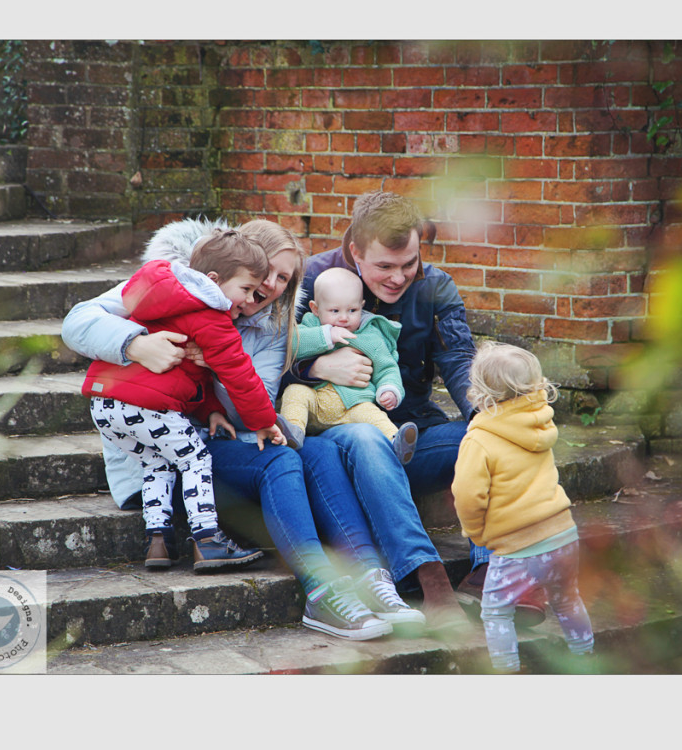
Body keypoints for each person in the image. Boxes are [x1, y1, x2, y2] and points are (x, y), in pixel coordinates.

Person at [63, 217, 431, 641]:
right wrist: (135, 344)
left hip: (224, 434)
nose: (271, 285)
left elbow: (249, 406)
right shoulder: (176, 284)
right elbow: (78, 321)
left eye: (283, 278)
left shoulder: (271, 324)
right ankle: (322, 590)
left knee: (321, 451)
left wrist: (212, 365)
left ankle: (367, 575)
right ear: (244, 259)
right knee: (278, 458)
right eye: (266, 271)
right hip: (164, 454)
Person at [294, 190, 546, 624]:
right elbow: (267, 360)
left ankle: (489, 570)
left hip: (415, 436)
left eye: (408, 263)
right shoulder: (312, 280)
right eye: (384, 267)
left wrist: (489, 418)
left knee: (485, 432)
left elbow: (459, 360)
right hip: (343, 436)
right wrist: (315, 364)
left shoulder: (435, 286)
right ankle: (429, 581)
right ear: (355, 249)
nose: (398, 278)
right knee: (369, 439)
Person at [83, 229, 284, 572]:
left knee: (157, 463)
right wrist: (264, 421)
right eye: (245, 289)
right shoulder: (212, 314)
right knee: (195, 459)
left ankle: (158, 542)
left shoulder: (166, 299)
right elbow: (239, 374)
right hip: (146, 406)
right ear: (213, 280)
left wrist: (213, 411)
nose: (250, 300)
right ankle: (208, 540)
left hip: (105, 403)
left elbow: (186, 376)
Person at [450, 342, 594, 672]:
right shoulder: (540, 423)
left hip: (516, 546)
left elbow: (469, 495)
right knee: (567, 599)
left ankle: (507, 671)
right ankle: (586, 657)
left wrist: (476, 533)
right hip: (563, 535)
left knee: (496, 610)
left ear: (481, 392)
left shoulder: (479, 438)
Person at [279, 266, 419, 464]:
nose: (344, 318)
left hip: (354, 405)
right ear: (315, 309)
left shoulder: (370, 337)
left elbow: (387, 368)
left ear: (362, 307)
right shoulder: (311, 325)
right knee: (295, 393)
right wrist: (327, 335)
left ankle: (396, 442)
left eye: (352, 310)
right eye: (335, 311)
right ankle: (293, 432)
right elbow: (292, 345)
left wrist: (390, 389)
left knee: (374, 415)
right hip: (315, 401)